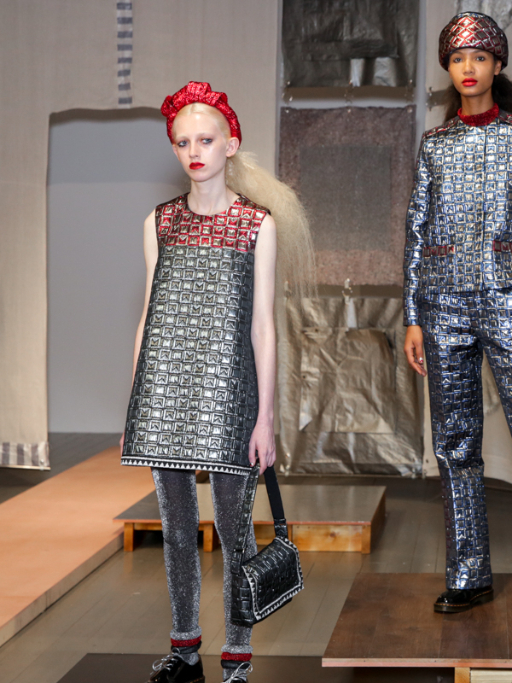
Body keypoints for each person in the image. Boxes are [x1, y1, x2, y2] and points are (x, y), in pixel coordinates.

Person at [120, 81, 313, 683]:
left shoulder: (257, 224)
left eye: (205, 140)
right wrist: (136, 403)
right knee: (176, 529)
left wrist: (266, 418)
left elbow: (264, 326)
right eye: (183, 143)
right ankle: (184, 651)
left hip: (230, 396)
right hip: (165, 393)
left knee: (234, 529)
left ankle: (237, 658)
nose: (194, 152)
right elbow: (150, 316)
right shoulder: (159, 222)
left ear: (230, 144)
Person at [402, 11, 512, 613]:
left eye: (479, 57)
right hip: (442, 306)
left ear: (497, 65)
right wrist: (413, 315)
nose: (468, 68)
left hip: (506, 303)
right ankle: (469, 575)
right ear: (448, 68)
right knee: (454, 443)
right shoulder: (434, 144)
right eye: (457, 58)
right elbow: (416, 233)